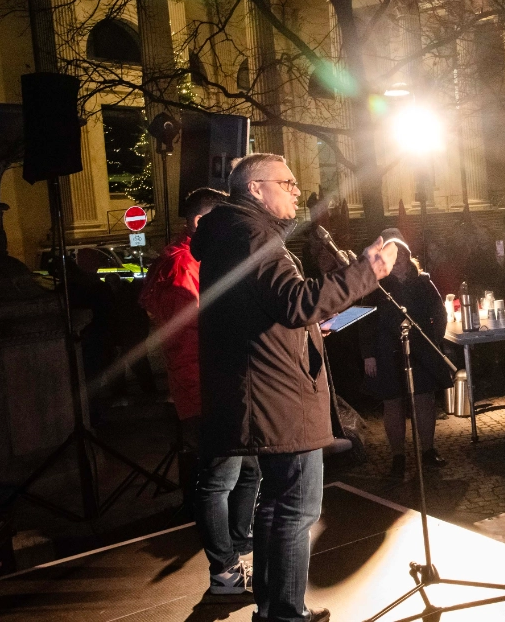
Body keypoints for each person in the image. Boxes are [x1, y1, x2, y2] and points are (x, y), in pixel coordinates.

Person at [192, 153, 399, 622]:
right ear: (255, 188)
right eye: (286, 183)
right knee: (296, 508)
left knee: (275, 505)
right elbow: (295, 302)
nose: (296, 190)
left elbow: (260, 312)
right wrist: (367, 271)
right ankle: (284, 613)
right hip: (276, 396)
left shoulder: (232, 233)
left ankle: (274, 608)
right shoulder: (253, 234)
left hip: (262, 390)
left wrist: (306, 328)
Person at [140, 187, 262, 595]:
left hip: (216, 382)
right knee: (219, 478)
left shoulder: (193, 260)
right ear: (200, 222)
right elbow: (189, 337)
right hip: (208, 388)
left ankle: (239, 549)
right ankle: (225, 570)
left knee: (247, 470)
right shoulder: (182, 266)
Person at [362, 236, 453, 480]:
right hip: (387, 351)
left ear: (408, 257)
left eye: (402, 254)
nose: (399, 259)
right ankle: (398, 457)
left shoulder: (422, 282)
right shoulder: (377, 285)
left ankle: (428, 450)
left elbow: (439, 312)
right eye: (394, 255)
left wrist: (434, 338)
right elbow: (366, 320)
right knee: (393, 403)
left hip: (420, 349)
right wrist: (368, 354)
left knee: (424, 400)